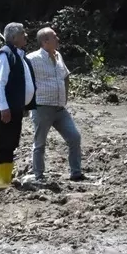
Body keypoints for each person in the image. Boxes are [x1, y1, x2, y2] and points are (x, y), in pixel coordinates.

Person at [27, 27, 85, 183]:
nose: (58, 39)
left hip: (60, 108)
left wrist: (65, 95)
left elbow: (66, 75)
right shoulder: (32, 59)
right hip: (42, 107)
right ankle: (39, 176)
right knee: (40, 143)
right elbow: (23, 80)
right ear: (45, 41)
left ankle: (76, 172)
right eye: (54, 37)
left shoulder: (58, 56)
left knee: (74, 137)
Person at [0, 22, 35, 189]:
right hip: (6, 110)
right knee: (3, 144)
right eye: (23, 33)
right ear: (14, 38)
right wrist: (4, 108)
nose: (26, 36)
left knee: (11, 143)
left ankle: (5, 180)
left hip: (14, 108)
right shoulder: (5, 55)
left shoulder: (17, 54)